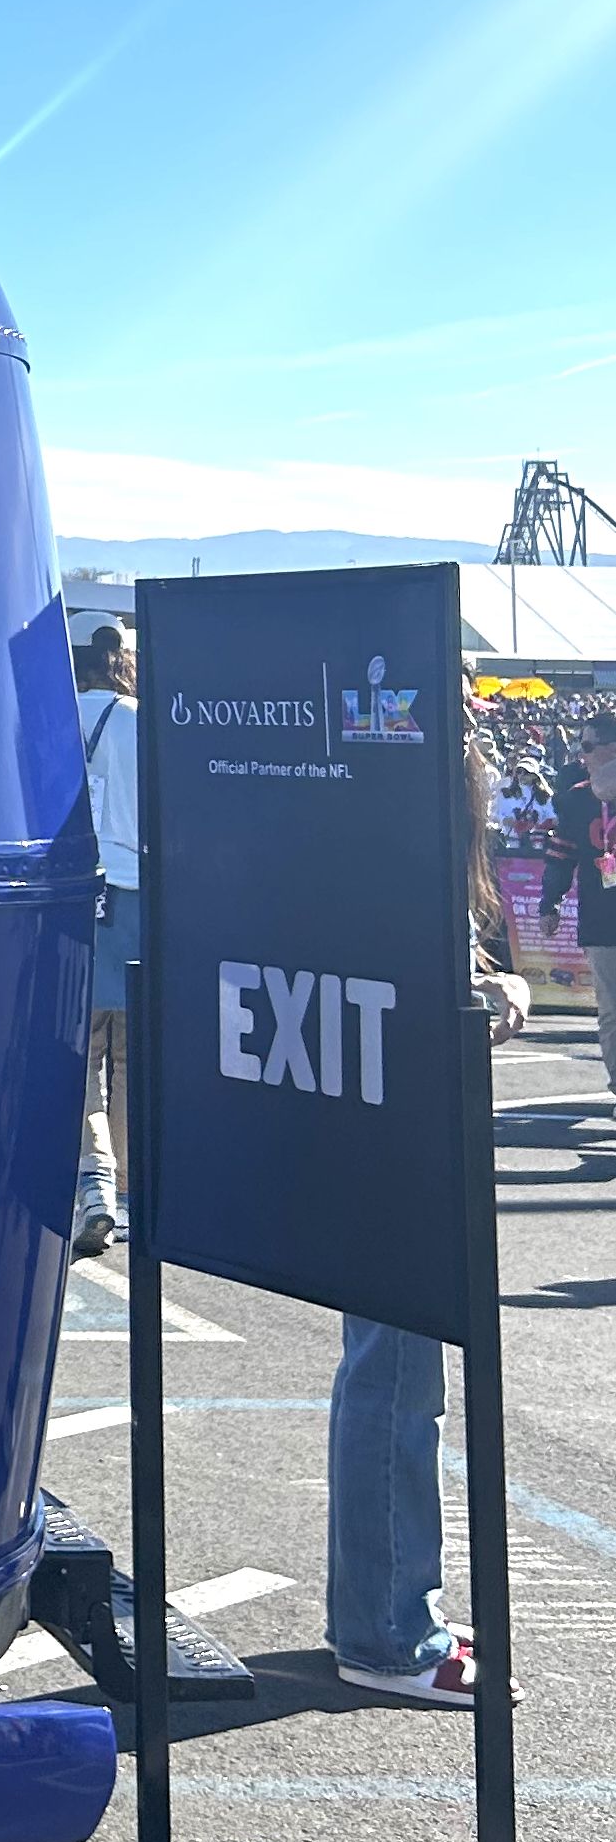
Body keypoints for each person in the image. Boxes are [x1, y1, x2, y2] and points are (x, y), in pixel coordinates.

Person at [326, 711, 525, 1705]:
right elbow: (417, 986)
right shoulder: (410, 837)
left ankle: (386, 1611)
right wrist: (486, 1000)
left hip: (362, 1117)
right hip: (397, 1134)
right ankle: (385, 1630)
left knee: (390, 1375)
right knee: (397, 1379)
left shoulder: (347, 819)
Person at [72, 626, 138, 1256]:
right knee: (131, 1052)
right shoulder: (137, 721)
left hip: (85, 891)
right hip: (142, 893)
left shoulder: (59, 718)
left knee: (84, 1049)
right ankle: (130, 1184)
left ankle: (95, 1183)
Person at [539, 706, 616, 1080]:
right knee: (612, 1008)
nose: (580, 754)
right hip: (603, 917)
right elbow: (561, 855)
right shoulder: (575, 799)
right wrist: (549, 904)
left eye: (587, 745)